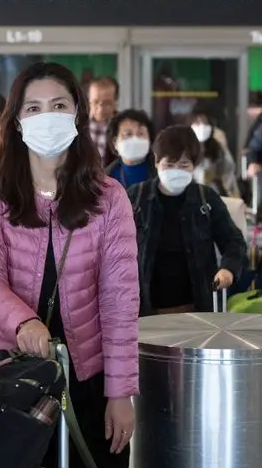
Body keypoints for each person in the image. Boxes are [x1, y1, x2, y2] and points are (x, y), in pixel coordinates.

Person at [0, 62, 138, 468]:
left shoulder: (109, 197)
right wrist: (22, 321)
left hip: (89, 379)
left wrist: (120, 393)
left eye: (59, 105)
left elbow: (121, 303)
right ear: (17, 120)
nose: (48, 116)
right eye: (35, 107)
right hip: (15, 378)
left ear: (78, 113)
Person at [128, 125, 247, 316]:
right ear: (157, 163)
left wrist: (228, 269)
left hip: (196, 307)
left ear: (194, 166)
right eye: (169, 164)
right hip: (145, 308)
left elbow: (233, 240)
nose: (176, 171)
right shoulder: (135, 198)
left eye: (184, 165)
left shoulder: (206, 199)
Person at [189, 104, 239, 197]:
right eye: (197, 123)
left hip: (212, 194)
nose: (201, 126)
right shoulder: (184, 147)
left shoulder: (217, 147)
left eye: (204, 122)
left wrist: (232, 195)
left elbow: (228, 171)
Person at [104, 108, 156, 189]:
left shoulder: (161, 174)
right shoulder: (105, 179)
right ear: (115, 142)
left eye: (141, 133)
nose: (135, 139)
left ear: (150, 141)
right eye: (128, 134)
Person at [87, 75, 119, 165]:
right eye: (95, 102)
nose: (100, 108)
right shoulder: (77, 125)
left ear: (115, 102)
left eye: (107, 103)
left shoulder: (121, 126)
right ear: (89, 100)